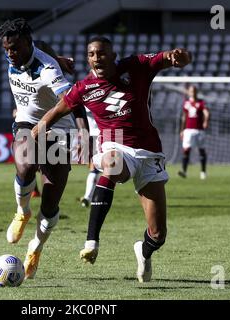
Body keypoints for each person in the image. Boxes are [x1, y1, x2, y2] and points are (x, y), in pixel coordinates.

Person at [32, 36, 191, 282]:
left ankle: (143, 250)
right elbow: (58, 109)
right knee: (112, 164)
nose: (97, 58)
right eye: (92, 54)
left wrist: (178, 56)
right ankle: (92, 240)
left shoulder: (136, 66)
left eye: (102, 53)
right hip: (115, 145)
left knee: (158, 234)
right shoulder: (83, 88)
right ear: (88, 58)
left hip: (149, 153)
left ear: (113, 55)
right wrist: (39, 127)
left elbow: (169, 57)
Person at [0, 18, 87, 279]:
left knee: (50, 203)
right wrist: (59, 56)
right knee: (24, 164)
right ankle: (22, 211)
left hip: (59, 129)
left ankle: (35, 247)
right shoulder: (17, 54)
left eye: (14, 48)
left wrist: (84, 136)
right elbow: (43, 45)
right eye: (6, 49)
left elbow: (74, 102)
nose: (10, 54)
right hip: (27, 119)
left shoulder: (48, 70)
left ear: (26, 43)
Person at [178, 85, 210, 180]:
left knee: (201, 150)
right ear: (189, 92)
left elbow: (206, 113)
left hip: (199, 130)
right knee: (186, 150)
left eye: (195, 91)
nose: (193, 92)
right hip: (188, 130)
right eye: (192, 91)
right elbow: (184, 117)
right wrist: (182, 130)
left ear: (197, 92)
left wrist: (205, 121)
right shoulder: (186, 103)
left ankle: (203, 172)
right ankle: (184, 172)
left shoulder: (201, 102)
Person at [79, 107, 101, 208]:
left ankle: (89, 197)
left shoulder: (86, 96)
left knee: (95, 168)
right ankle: (90, 196)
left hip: (94, 134)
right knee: (97, 168)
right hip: (101, 133)